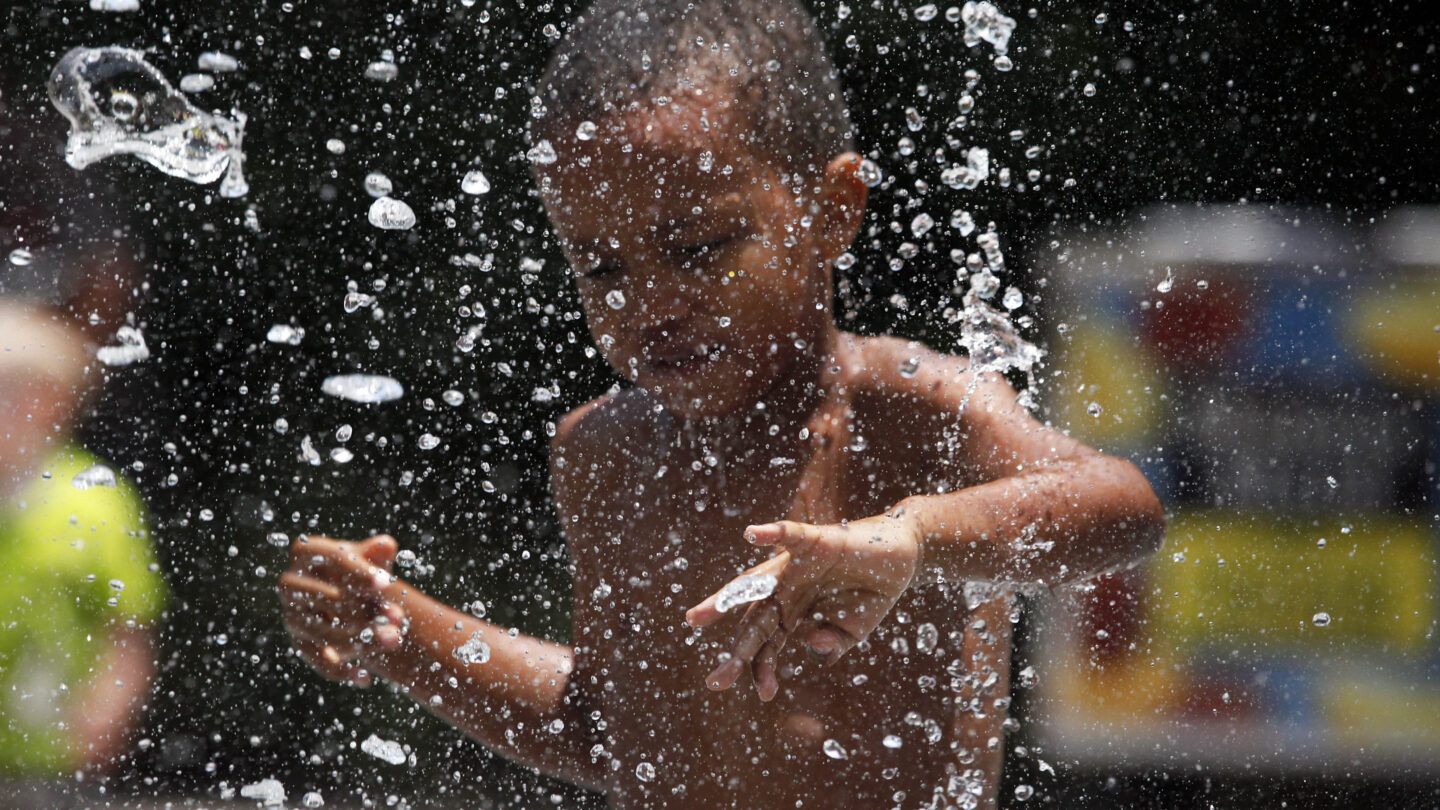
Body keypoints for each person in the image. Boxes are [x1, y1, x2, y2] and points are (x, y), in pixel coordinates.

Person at [277, 2, 1166, 807]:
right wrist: (404, 634)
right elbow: (609, 730)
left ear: (833, 210)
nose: (650, 303)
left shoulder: (908, 413)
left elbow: (1124, 506)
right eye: (601, 267)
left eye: (699, 247)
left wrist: (914, 535)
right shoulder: (603, 455)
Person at [0, 302, 166, 804]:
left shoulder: (95, 498)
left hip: (53, 755)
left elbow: (129, 628)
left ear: (54, 403)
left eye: (12, 393)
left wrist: (105, 711)